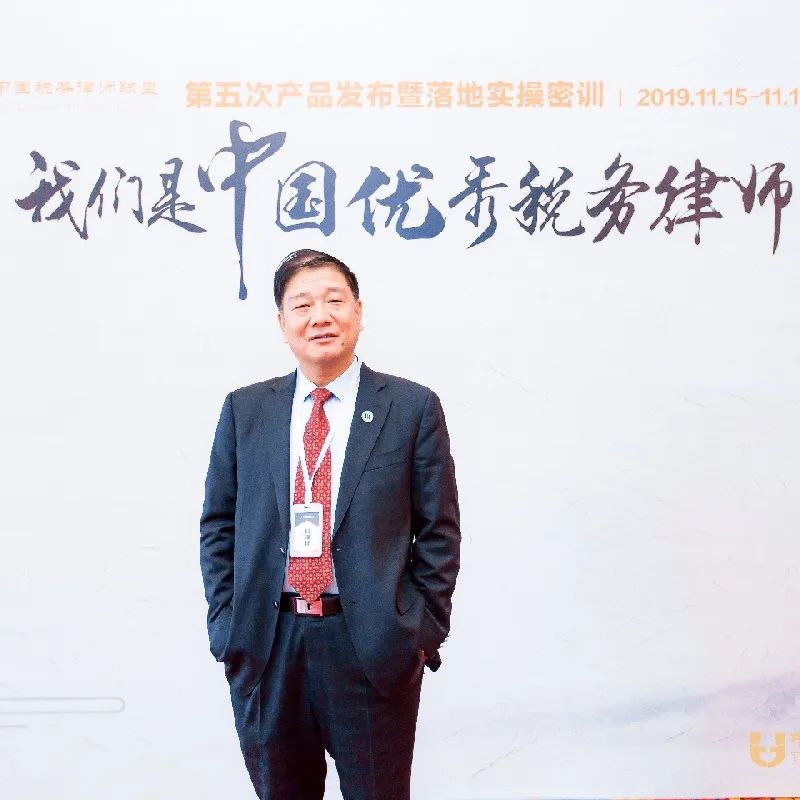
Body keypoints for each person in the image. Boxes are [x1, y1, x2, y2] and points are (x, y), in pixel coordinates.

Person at [199, 249, 461, 800]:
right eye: (302, 305)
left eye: (334, 300)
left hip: (369, 642)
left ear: (358, 312)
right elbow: (218, 525)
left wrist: (417, 631)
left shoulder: (410, 408)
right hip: (269, 643)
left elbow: (439, 530)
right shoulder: (246, 411)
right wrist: (228, 627)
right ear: (282, 323)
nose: (320, 316)